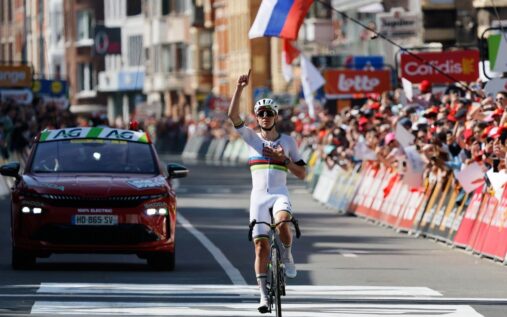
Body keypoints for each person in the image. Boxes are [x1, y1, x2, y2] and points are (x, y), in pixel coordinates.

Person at [228, 70, 306, 313]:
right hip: (258, 198)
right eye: (260, 113)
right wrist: (240, 88)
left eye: (268, 113)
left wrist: (285, 160)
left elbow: (302, 174)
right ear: (257, 116)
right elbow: (232, 116)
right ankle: (263, 296)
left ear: (275, 116)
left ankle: (288, 254)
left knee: (283, 224)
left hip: (280, 193)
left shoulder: (289, 142)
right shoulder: (252, 139)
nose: (264, 117)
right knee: (260, 247)